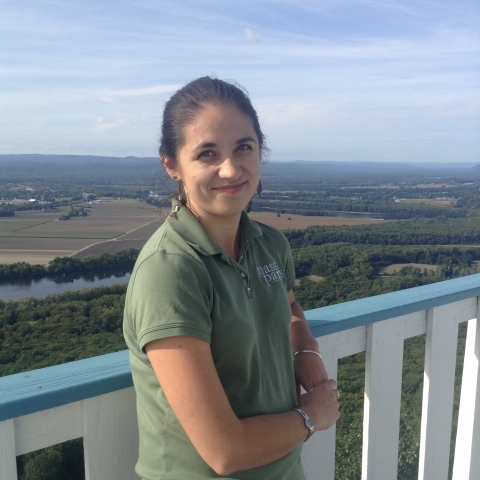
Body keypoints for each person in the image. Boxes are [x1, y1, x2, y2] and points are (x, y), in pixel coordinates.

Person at [123, 77, 340, 480]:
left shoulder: (268, 243)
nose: (231, 168)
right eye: (207, 153)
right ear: (171, 165)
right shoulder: (170, 271)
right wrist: (312, 416)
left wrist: (305, 350)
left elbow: (289, 304)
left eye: (244, 147)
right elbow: (225, 452)